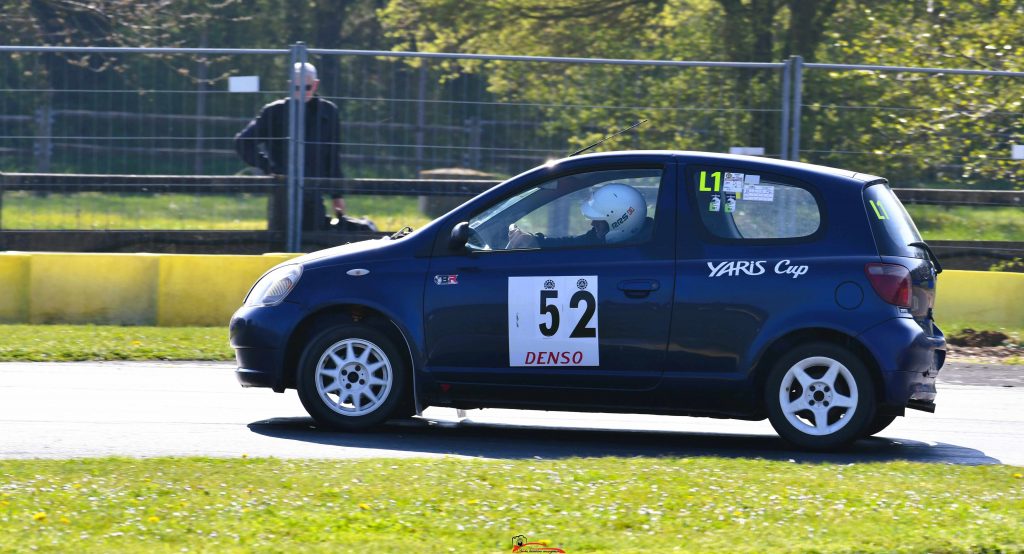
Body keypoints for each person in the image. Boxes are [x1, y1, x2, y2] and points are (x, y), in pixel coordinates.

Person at [235, 62, 345, 231]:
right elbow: (243, 142)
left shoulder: (328, 113)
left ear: (315, 85)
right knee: (280, 237)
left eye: (306, 87)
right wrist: (270, 167)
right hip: (283, 191)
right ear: (289, 85)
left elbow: (333, 156)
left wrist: (337, 195)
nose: (300, 92)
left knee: (316, 239)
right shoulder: (274, 112)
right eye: (296, 87)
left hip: (314, 190)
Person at [506, 183, 649, 248]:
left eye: (598, 221)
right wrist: (536, 241)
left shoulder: (642, 251)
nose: (592, 224)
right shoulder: (598, 238)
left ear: (620, 221)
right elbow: (571, 244)